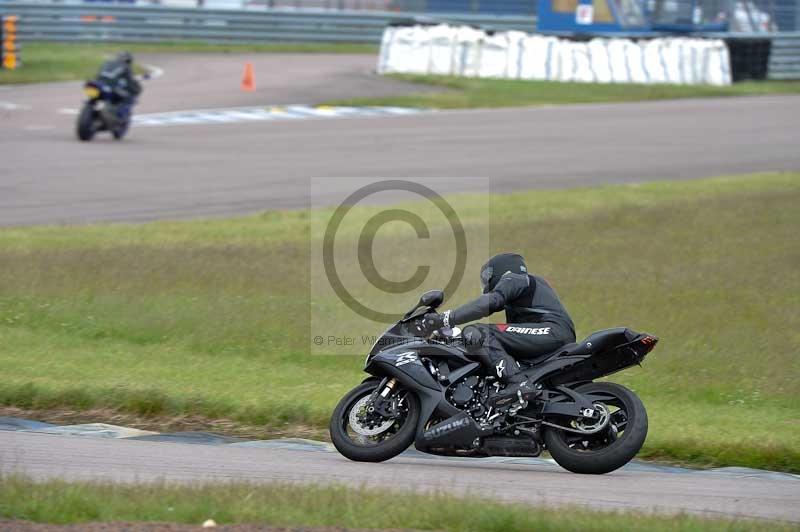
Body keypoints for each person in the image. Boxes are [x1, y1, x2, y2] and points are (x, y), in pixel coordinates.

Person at [416, 253, 576, 401]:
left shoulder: (516, 279)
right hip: (549, 336)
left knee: (479, 332)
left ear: (503, 270)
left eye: (488, 276)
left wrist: (446, 318)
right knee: (484, 346)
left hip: (553, 331)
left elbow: (490, 302)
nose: (486, 282)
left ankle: (519, 383)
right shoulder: (519, 297)